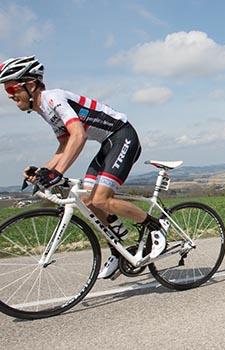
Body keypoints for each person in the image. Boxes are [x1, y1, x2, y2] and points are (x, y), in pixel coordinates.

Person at [0, 55, 166, 279]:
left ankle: (156, 227)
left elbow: (78, 135)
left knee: (100, 200)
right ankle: (119, 248)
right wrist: (43, 170)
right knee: (87, 200)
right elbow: (64, 144)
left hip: (122, 136)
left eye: (11, 88)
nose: (9, 95)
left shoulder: (52, 99)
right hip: (107, 144)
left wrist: (57, 172)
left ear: (30, 84)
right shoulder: (43, 110)